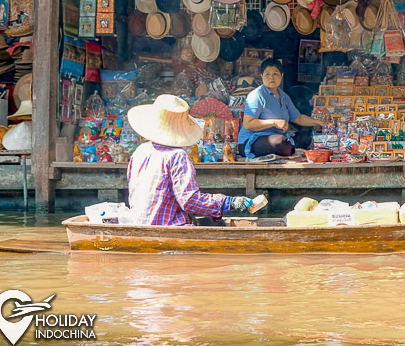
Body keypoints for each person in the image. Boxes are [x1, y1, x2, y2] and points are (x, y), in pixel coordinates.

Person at [126, 94, 254, 226]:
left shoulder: (140, 151)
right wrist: (228, 202)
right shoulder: (177, 156)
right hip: (166, 229)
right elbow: (189, 200)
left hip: (138, 224)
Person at [238, 58, 325, 159]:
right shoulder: (256, 95)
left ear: (282, 75)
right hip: (251, 141)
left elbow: (298, 118)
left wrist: (320, 122)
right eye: (267, 74)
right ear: (261, 76)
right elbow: (248, 124)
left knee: (306, 138)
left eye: (275, 74)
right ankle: (289, 149)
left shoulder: (284, 96)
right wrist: (274, 122)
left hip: (277, 137)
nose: (271, 77)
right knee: (281, 142)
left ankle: (289, 148)